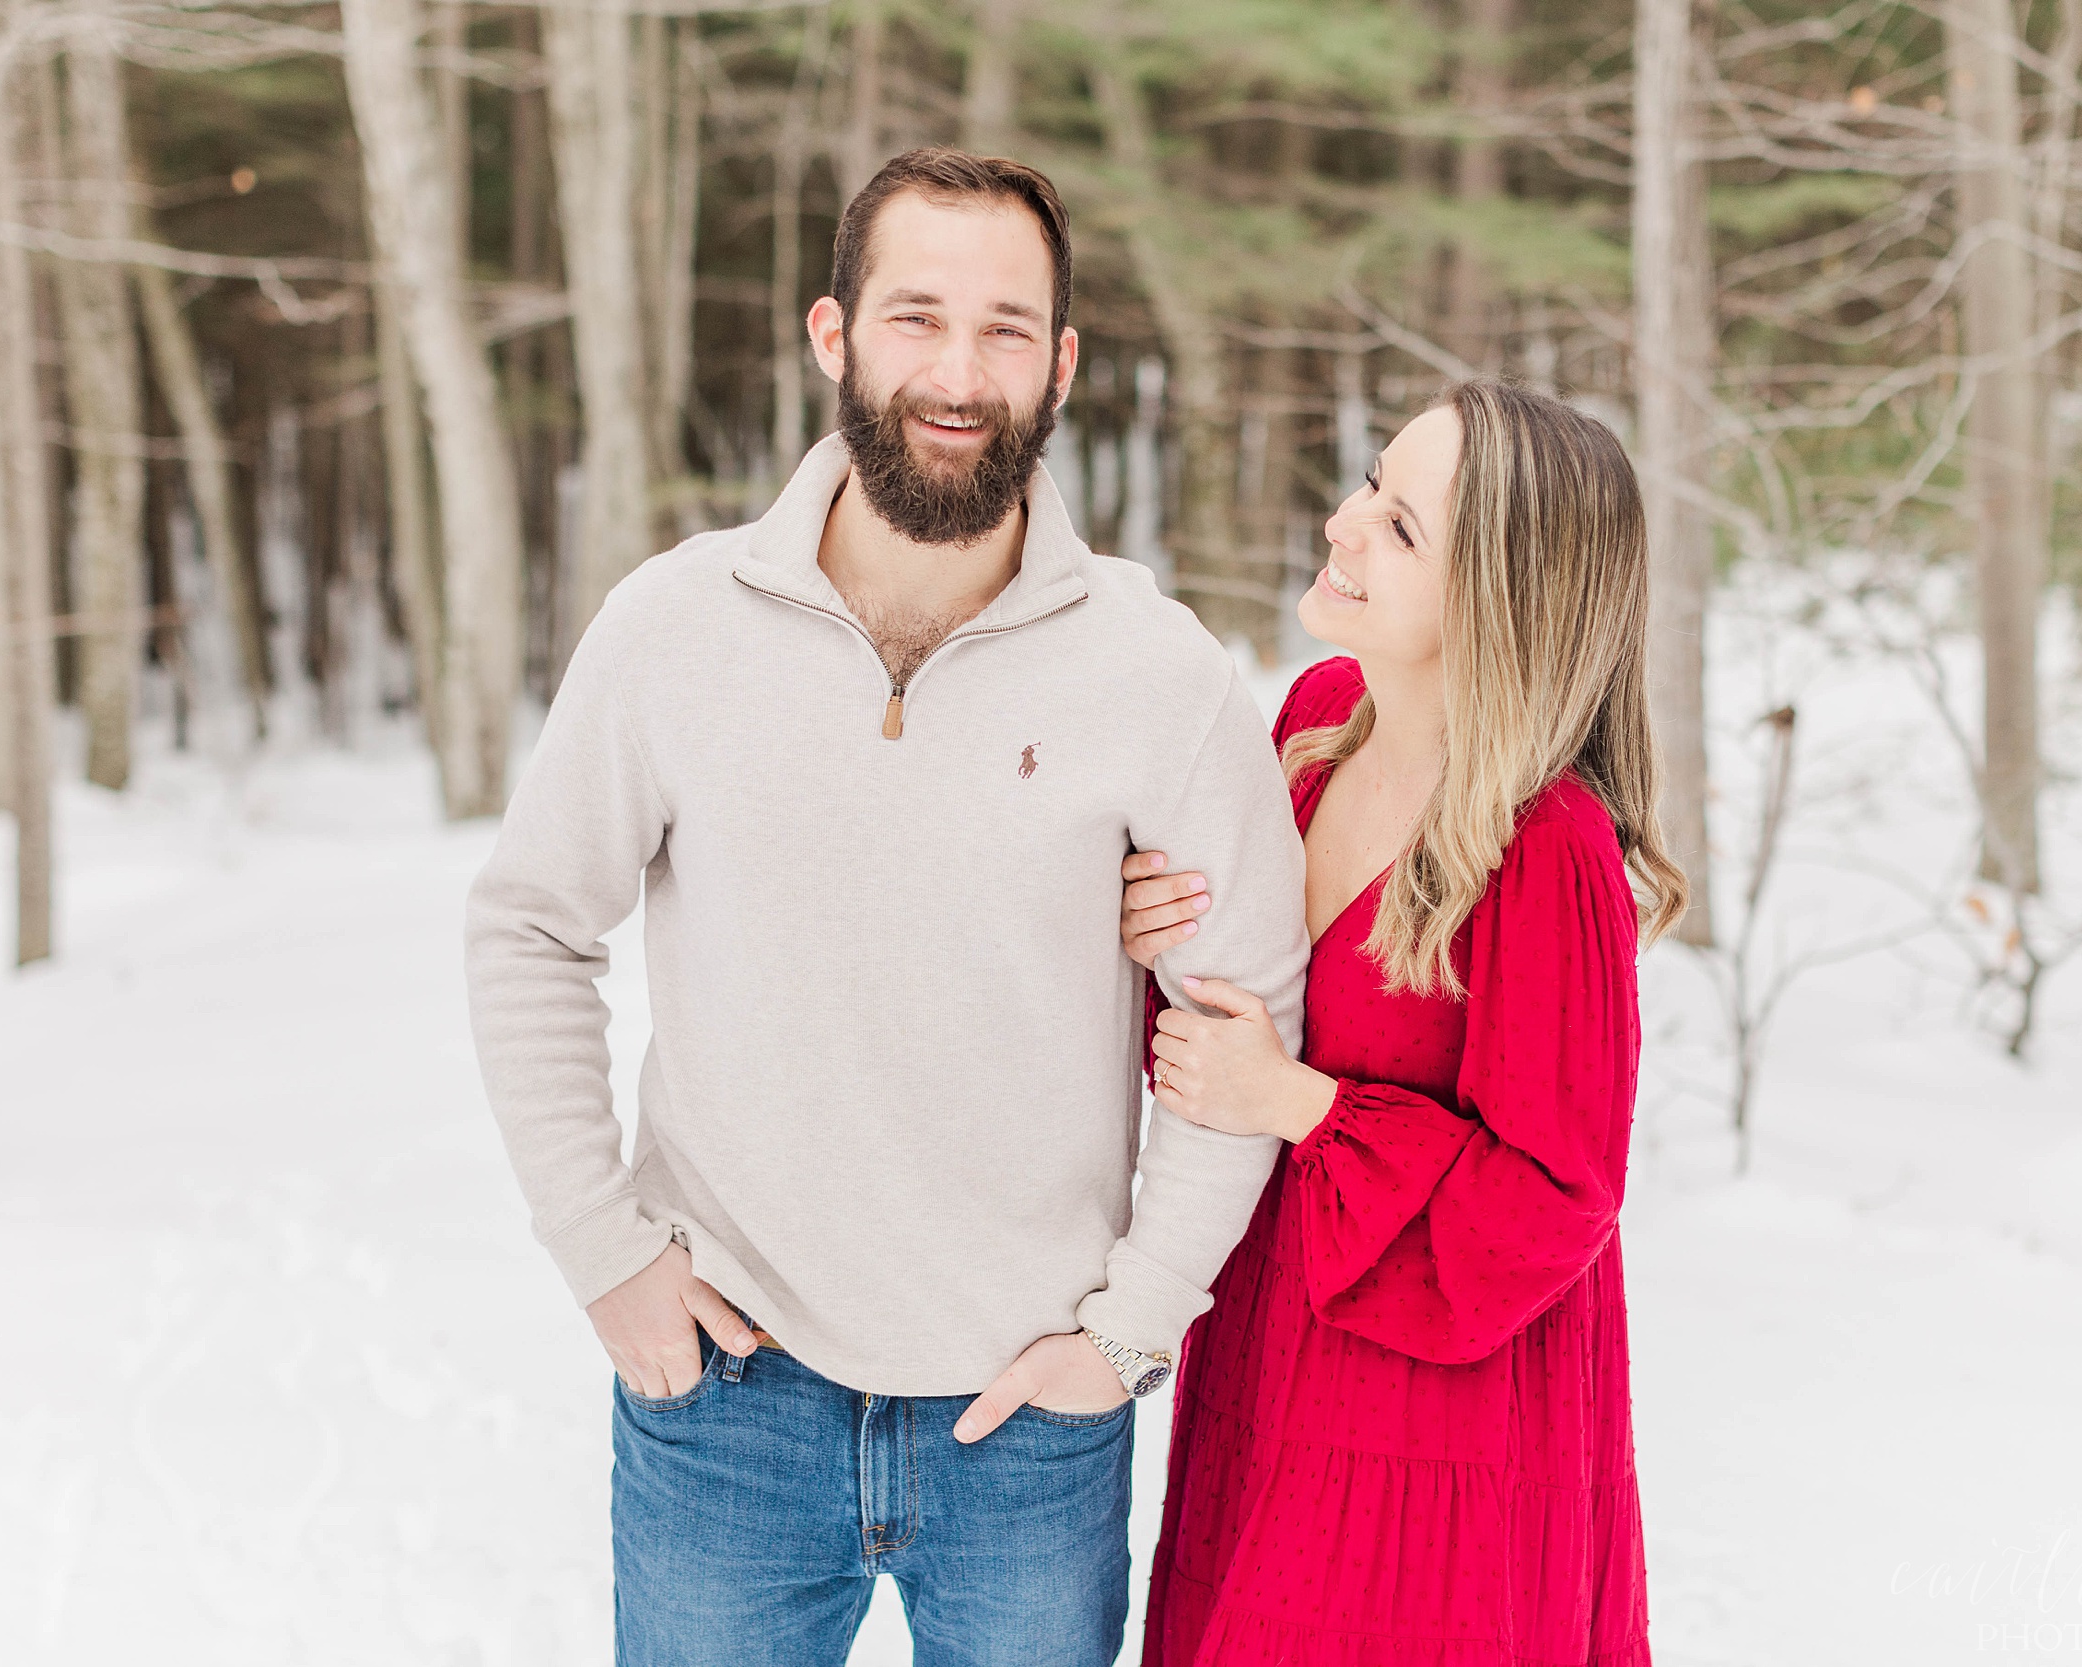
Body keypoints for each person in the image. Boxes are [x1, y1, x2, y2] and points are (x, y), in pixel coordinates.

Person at [463, 148, 1309, 1667]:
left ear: (1061, 365)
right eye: (917, 316)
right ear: (833, 333)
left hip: (1030, 1430)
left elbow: (1243, 1010)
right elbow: (530, 924)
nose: (958, 373)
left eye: (1005, 330)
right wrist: (604, 1251)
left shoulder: (1158, 671)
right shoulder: (672, 627)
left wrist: (1131, 1328)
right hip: (726, 1401)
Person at [1118, 379, 1679, 1666]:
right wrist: (1157, 925)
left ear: (1497, 596)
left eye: (1402, 526)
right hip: (1267, 1342)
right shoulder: (1315, 720)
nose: (1343, 522)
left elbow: (1558, 1197)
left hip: (1439, 1415)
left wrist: (1298, 1103)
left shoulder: (1548, 850)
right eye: (1373, 481)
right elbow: (1241, 1008)